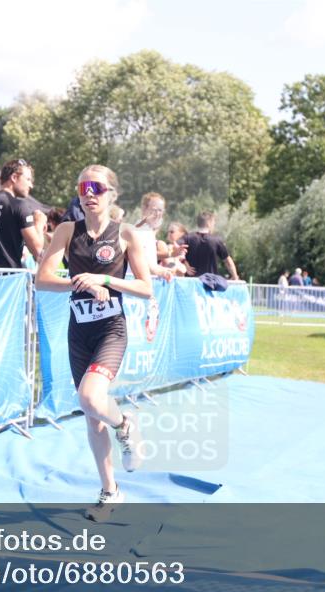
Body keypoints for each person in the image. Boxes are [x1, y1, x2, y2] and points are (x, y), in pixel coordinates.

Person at [35, 165, 153, 522]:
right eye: (84, 186)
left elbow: (146, 289)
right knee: (91, 416)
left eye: (97, 187)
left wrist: (105, 279)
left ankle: (124, 424)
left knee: (89, 397)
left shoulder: (127, 234)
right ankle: (110, 491)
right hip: (79, 331)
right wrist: (81, 284)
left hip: (111, 330)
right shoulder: (67, 231)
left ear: (111, 194)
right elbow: (42, 279)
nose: (89, 193)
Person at [0, 159, 47, 269]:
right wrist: (39, 223)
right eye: (28, 179)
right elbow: (38, 252)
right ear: (14, 178)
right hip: (7, 280)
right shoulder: (18, 205)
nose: (31, 185)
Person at [181, 211, 239, 281]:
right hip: (209, 284)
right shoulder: (217, 241)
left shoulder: (187, 238)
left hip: (191, 283)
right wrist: (235, 277)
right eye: (213, 223)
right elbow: (228, 261)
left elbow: (174, 248)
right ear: (209, 223)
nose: (214, 226)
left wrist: (184, 262)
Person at [133, 192, 175, 280]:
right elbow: (142, 263)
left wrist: (166, 270)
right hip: (135, 286)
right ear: (144, 209)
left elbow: (152, 265)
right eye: (154, 210)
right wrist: (162, 270)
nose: (158, 214)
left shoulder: (148, 231)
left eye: (160, 210)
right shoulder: (139, 232)